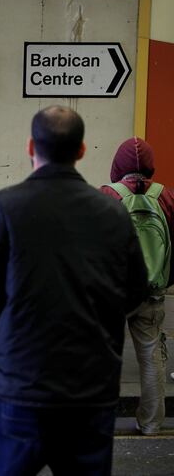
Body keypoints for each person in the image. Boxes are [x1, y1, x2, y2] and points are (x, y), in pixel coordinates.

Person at [0, 106, 148, 475]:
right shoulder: (113, 214)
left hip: (21, 387)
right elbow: (135, 292)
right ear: (81, 151)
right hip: (90, 391)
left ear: (31, 146)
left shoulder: (3, 207)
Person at [100, 137, 173, 436]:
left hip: (112, 293)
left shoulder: (107, 195)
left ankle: (101, 422)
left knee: (105, 357)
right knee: (151, 355)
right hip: (152, 290)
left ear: (117, 165)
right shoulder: (166, 197)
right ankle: (152, 422)